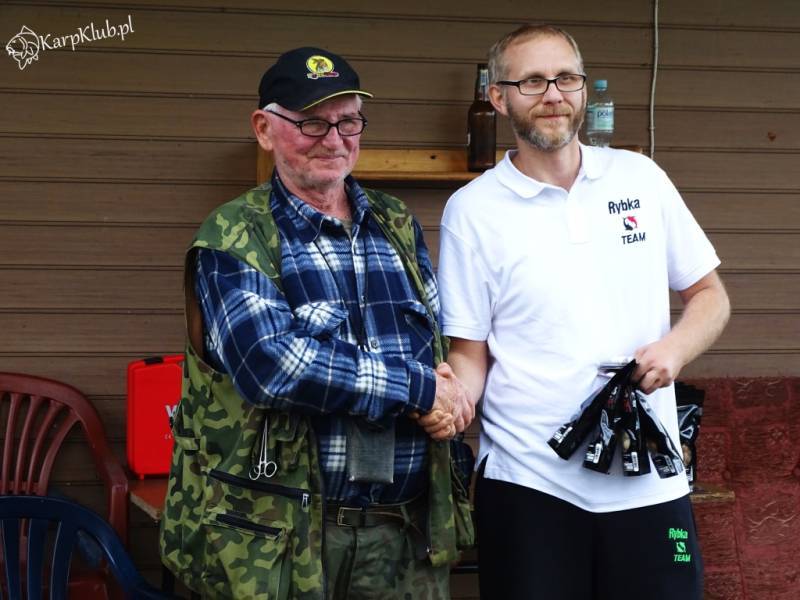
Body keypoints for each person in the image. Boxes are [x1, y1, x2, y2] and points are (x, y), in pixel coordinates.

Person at [159, 46, 473, 600]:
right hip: (286, 542)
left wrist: (450, 398)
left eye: (348, 121)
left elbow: (436, 349)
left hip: (405, 534)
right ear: (264, 129)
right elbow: (272, 366)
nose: (333, 139)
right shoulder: (234, 235)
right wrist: (420, 389)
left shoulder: (395, 222)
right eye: (311, 123)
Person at [436, 25, 731, 600]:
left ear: (583, 88)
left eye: (566, 78)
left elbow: (710, 296)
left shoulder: (641, 179)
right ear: (499, 98)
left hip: (650, 479)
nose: (553, 94)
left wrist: (673, 350)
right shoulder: (471, 211)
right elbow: (470, 354)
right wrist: (451, 399)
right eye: (532, 81)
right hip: (529, 484)